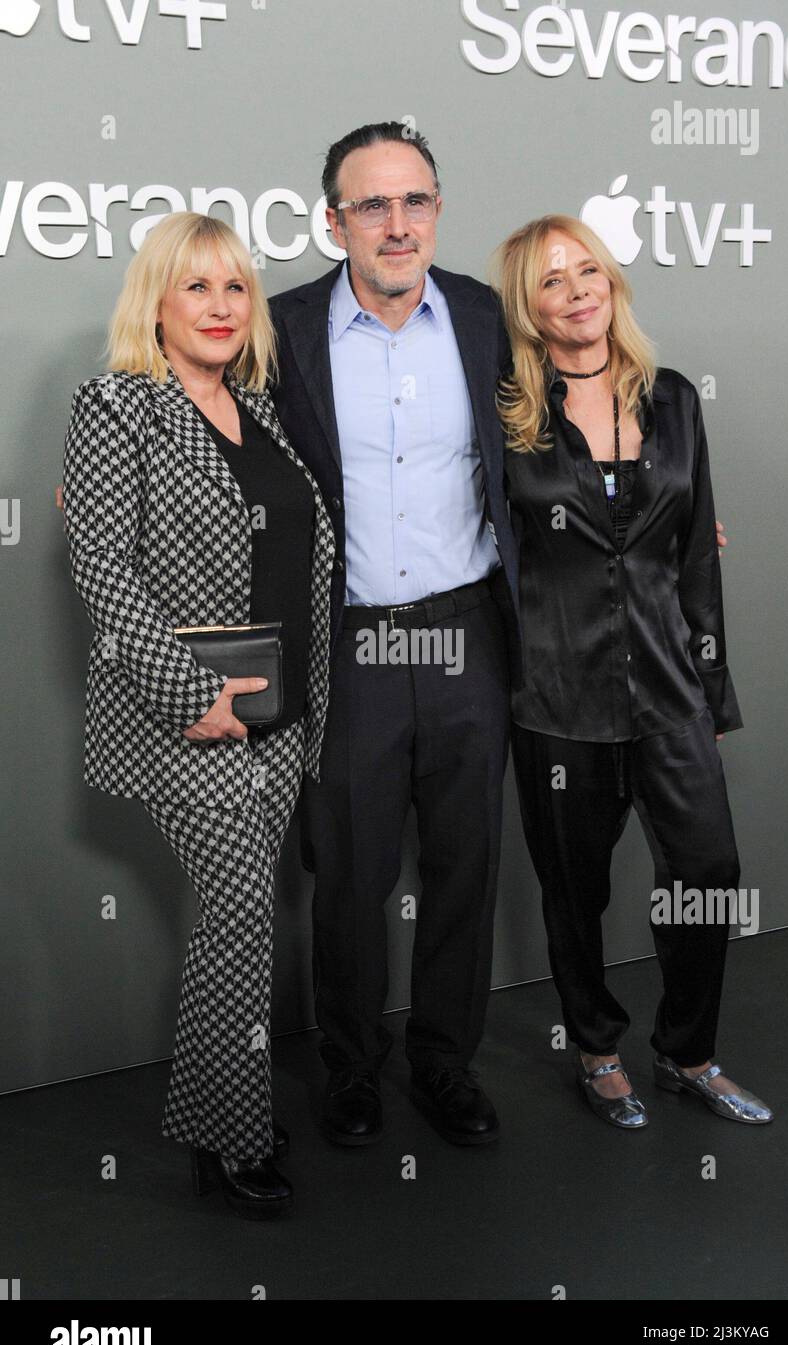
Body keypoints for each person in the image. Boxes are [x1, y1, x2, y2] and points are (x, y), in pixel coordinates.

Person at [61, 211, 335, 1216]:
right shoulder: (116, 407)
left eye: (235, 289)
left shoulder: (259, 412)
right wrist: (189, 693)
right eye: (197, 289)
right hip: (191, 720)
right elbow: (102, 563)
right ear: (158, 303)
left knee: (244, 924)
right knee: (239, 926)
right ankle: (226, 1140)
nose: (220, 308)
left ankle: (231, 1107)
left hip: (283, 716)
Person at [267, 122, 522, 1147]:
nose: (397, 222)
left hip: (468, 638)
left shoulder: (483, 316)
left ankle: (445, 1063)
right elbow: (204, 424)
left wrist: (656, 512)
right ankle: (352, 1068)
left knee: (465, 865)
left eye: (415, 199)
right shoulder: (278, 328)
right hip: (351, 647)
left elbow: (554, 437)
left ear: (438, 208)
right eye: (372, 204)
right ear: (334, 220)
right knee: (351, 874)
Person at [496, 214, 772, 1128]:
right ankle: (597, 1051)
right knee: (574, 891)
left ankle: (687, 1053)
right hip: (555, 695)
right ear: (527, 308)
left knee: (706, 867)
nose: (576, 291)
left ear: (611, 280)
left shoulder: (674, 399)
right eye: (550, 281)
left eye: (587, 271)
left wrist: (713, 692)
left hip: (668, 687)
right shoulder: (505, 412)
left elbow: (698, 553)